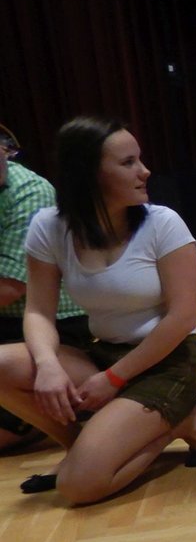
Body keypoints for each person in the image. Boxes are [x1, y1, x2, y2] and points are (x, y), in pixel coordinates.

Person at [0, 116, 196, 503]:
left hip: (168, 363)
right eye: (128, 162)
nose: (144, 171)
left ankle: (180, 422)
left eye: (139, 159)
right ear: (89, 174)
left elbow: (182, 319)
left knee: (77, 486)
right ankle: (79, 447)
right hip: (102, 354)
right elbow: (37, 312)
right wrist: (47, 364)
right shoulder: (50, 226)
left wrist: (114, 379)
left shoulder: (163, 223)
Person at [0, 124, 91, 450]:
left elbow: (8, 289)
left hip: (50, 326)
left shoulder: (29, 193)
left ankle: (39, 419)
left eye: (4, 147)